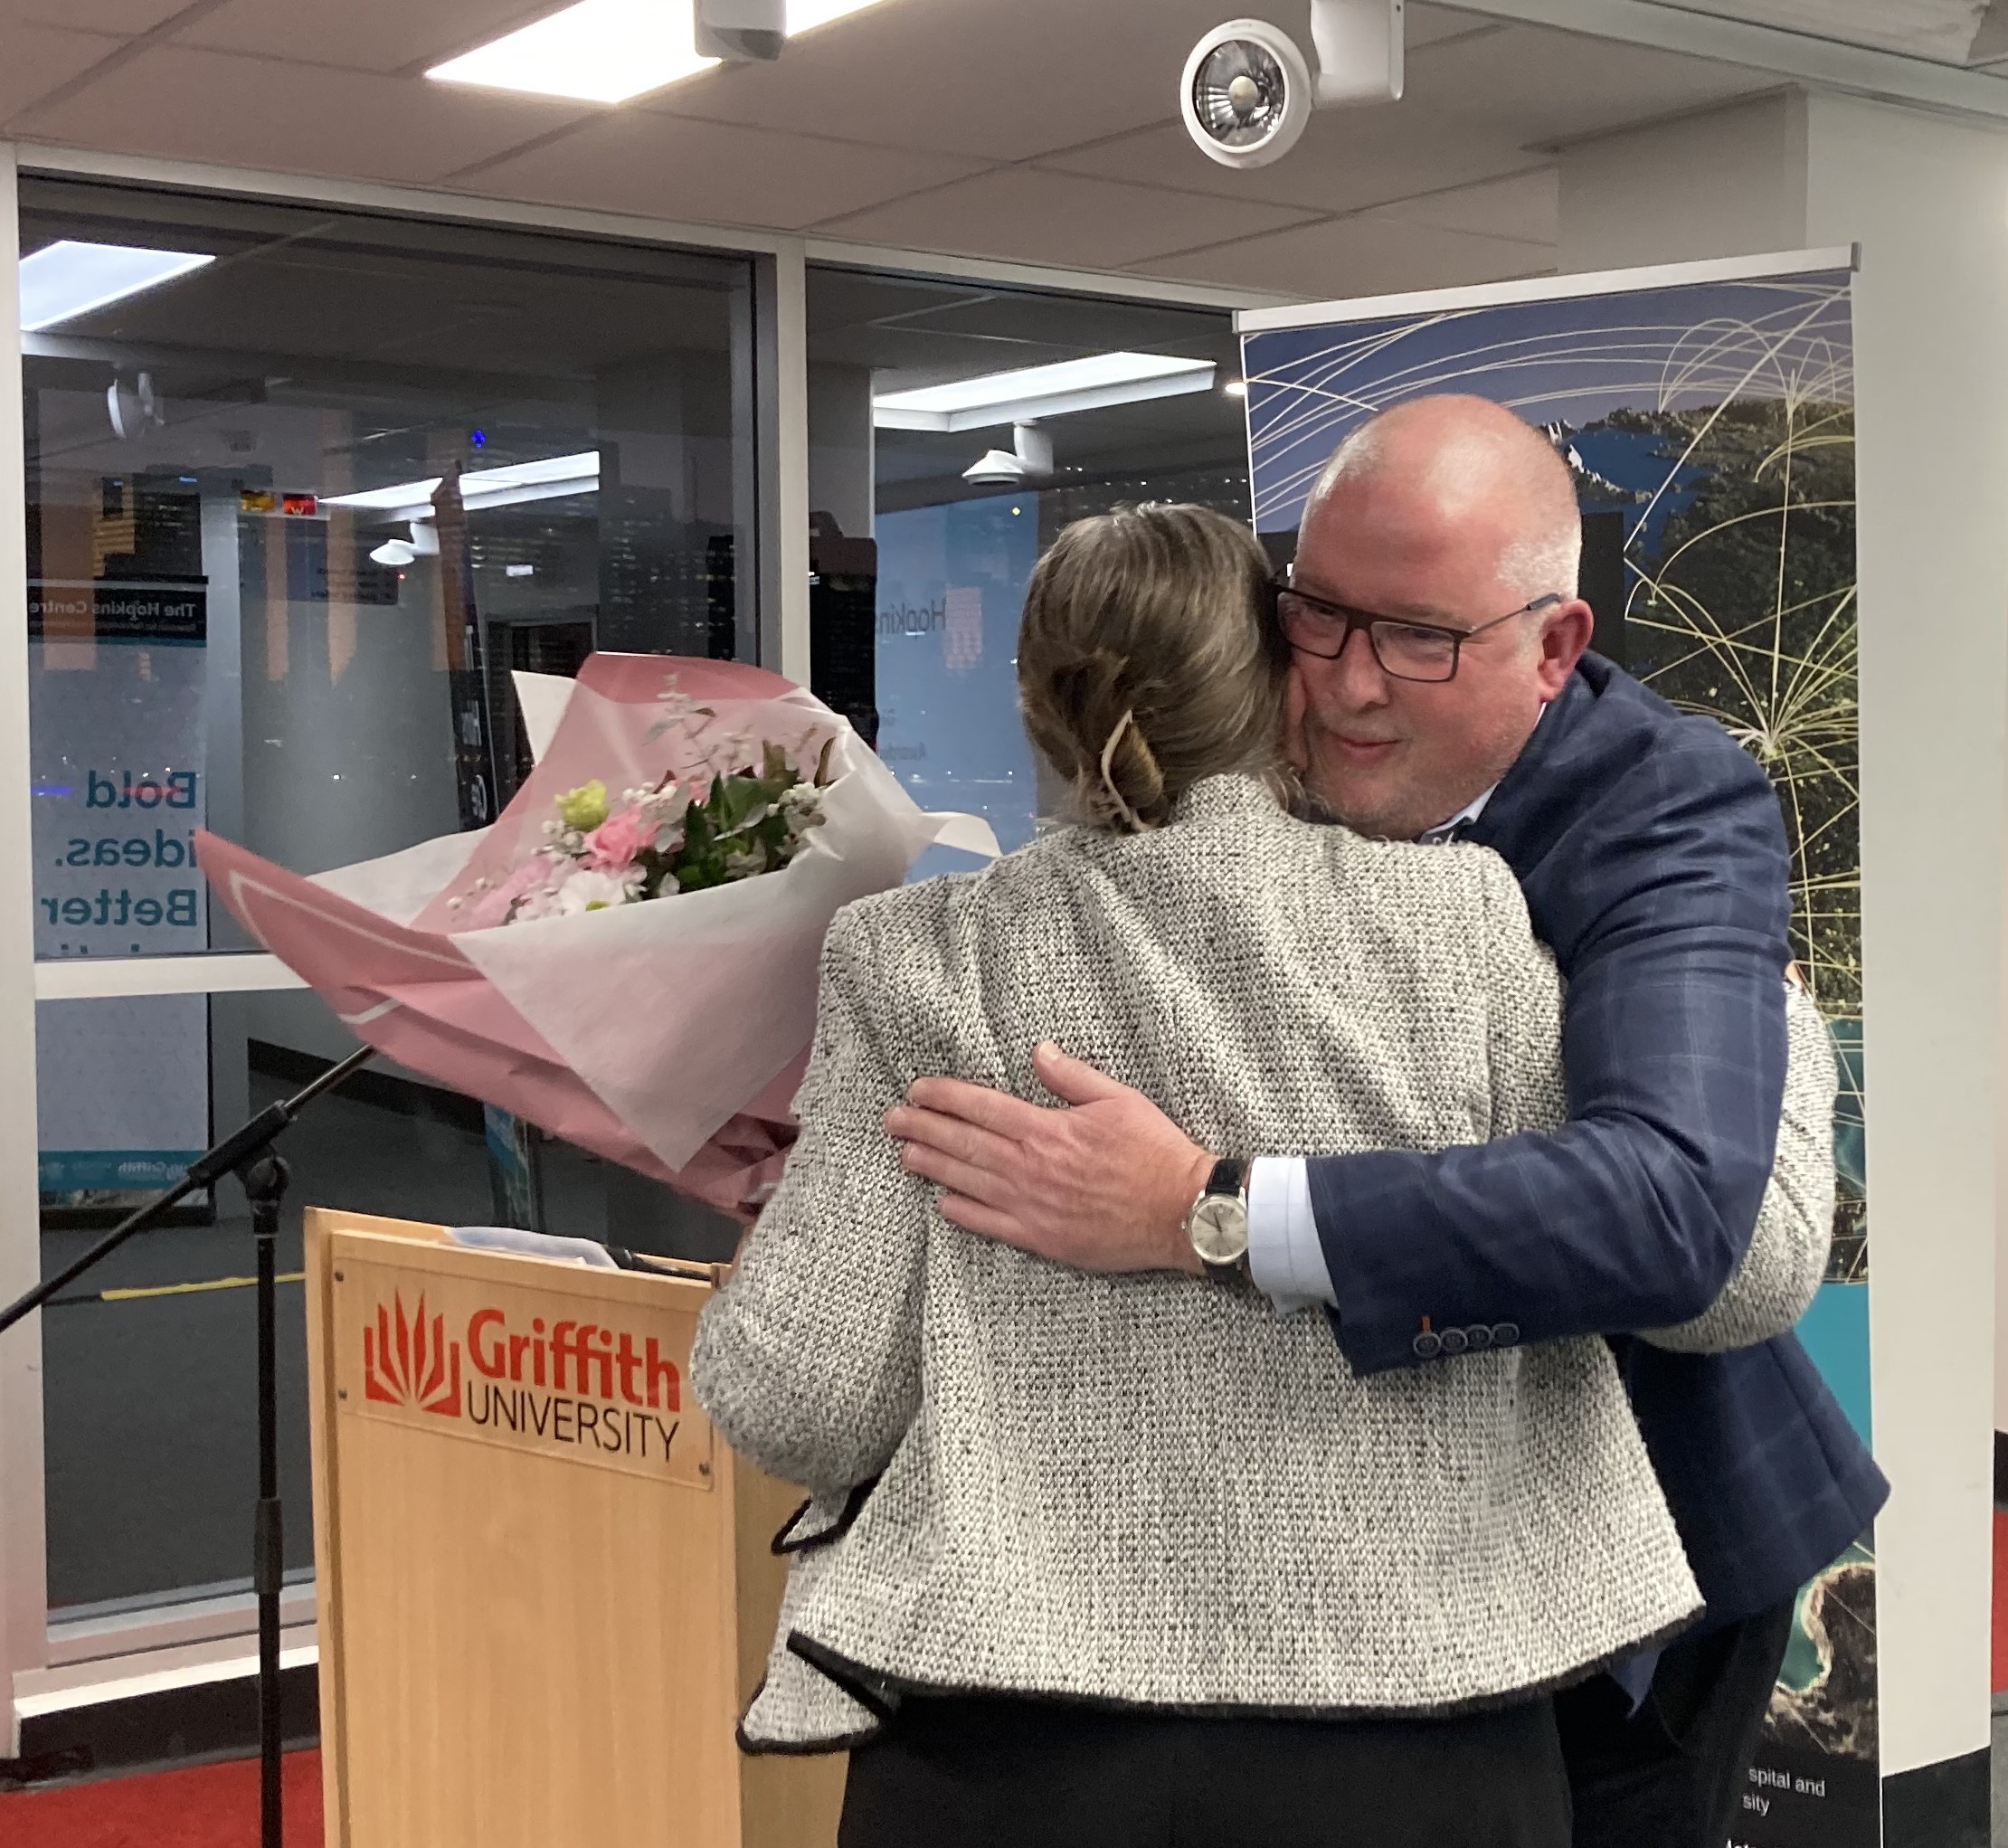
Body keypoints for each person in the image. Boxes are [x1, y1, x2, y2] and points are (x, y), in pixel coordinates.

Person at [692, 501, 1837, 1848]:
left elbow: (806, 1400)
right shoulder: (1459, 923)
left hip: (1007, 1746)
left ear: (1035, 703)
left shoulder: (919, 960)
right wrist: (1786, 1031)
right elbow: (1735, 1272)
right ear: (1276, 670)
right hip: (1425, 1734)